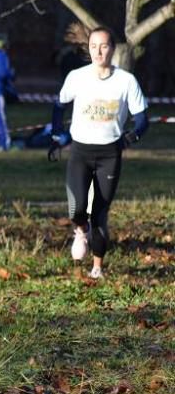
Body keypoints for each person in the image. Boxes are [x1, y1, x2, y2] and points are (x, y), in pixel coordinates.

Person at [50, 27, 148, 279]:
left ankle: (97, 268)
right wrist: (57, 134)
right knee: (78, 209)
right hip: (80, 151)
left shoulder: (126, 81)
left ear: (112, 49)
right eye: (94, 46)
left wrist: (133, 135)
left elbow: (142, 119)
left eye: (104, 46)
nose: (98, 51)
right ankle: (80, 230)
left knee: (100, 212)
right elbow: (59, 105)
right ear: (88, 48)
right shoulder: (77, 77)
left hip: (109, 154)